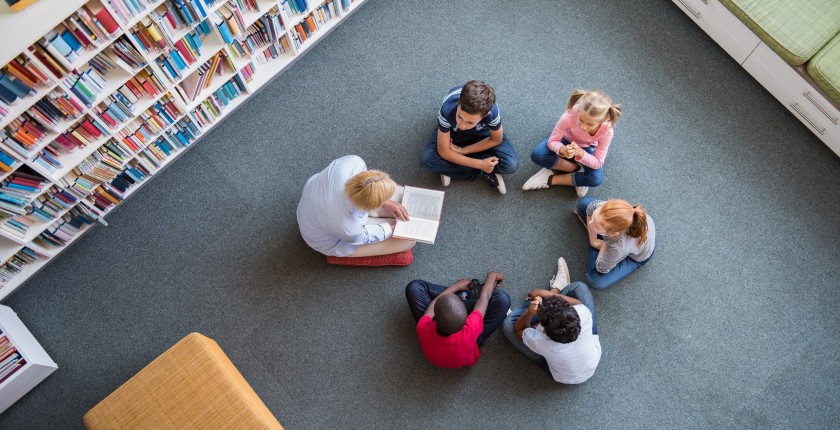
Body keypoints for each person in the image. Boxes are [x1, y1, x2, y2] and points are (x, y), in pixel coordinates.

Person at [502, 257, 601, 384]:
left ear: (544, 330)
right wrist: (544, 294)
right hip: (591, 362)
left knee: (508, 325)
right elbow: (578, 304)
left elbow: (519, 329)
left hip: (561, 375)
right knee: (579, 287)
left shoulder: (542, 343)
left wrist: (530, 313)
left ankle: (549, 295)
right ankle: (554, 291)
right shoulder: (582, 313)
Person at [296, 155, 416, 257]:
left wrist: (386, 202)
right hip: (329, 238)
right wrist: (390, 229)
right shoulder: (349, 228)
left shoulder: (352, 163)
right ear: (371, 205)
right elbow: (364, 236)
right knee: (408, 242)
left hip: (317, 200)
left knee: (401, 196)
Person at [420, 80, 519, 194]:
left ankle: (451, 166)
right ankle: (481, 171)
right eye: (460, 117)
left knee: (511, 165)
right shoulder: (447, 109)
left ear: (486, 115)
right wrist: (480, 165)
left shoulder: (492, 111)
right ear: (459, 103)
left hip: (482, 131)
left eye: (470, 122)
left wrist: (462, 151)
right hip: (453, 132)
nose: (462, 125)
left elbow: (496, 139)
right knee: (427, 159)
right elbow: (443, 151)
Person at [522, 89, 622, 197]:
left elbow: (598, 162)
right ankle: (576, 170)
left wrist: (581, 153)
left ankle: (550, 179)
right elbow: (553, 141)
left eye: (590, 124)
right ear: (579, 110)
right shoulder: (570, 114)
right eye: (581, 120)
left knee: (595, 179)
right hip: (565, 140)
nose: (584, 126)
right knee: (538, 154)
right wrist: (562, 149)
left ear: (604, 119)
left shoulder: (607, 131)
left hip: (588, 148)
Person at [405, 272, 511, 368]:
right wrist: (492, 276)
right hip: (471, 342)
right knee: (502, 299)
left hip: (437, 353)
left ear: (434, 318)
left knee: (414, 287)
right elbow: (485, 297)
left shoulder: (423, 327)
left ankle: (460, 296)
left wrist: (456, 286)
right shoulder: (470, 327)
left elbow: (434, 305)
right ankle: (465, 297)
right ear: (466, 319)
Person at [573, 197, 655, 289]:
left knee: (595, 280)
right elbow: (589, 210)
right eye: (593, 218)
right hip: (622, 241)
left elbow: (601, 268)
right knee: (583, 204)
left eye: (595, 225)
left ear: (612, 234)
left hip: (637, 256)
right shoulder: (601, 207)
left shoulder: (618, 247)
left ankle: (604, 249)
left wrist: (606, 244)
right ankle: (600, 243)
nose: (591, 224)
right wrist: (593, 241)